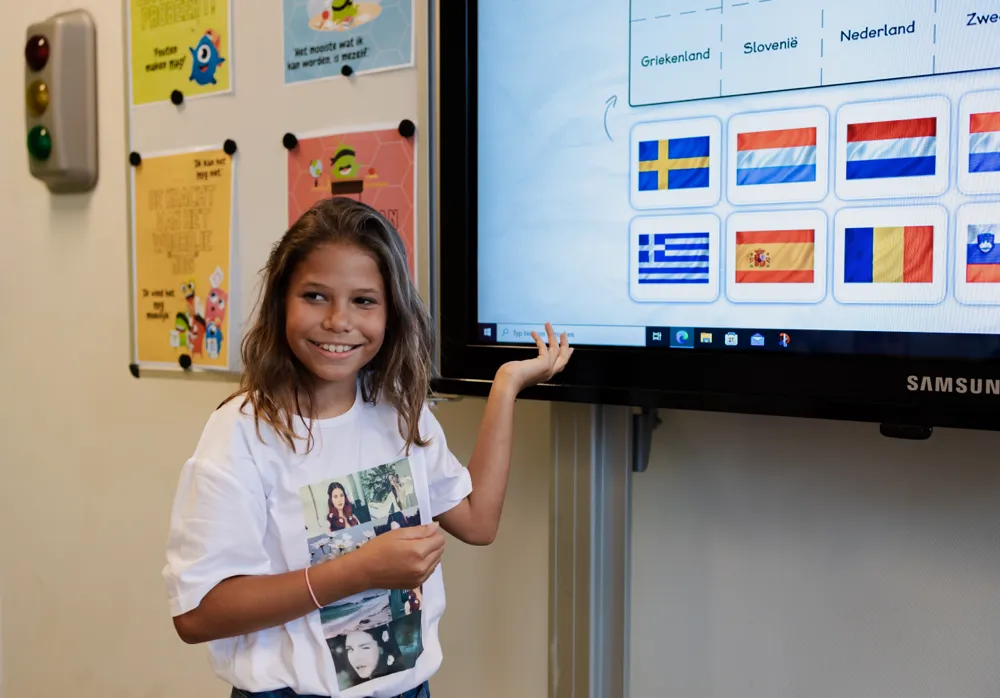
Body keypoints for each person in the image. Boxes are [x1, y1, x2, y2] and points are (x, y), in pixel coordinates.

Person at [162, 196, 573, 698]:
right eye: (314, 296)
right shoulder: (242, 433)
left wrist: (506, 384)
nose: (339, 321)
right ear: (280, 302)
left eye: (363, 300)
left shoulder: (399, 410)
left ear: (391, 311)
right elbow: (197, 614)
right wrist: (356, 572)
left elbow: (478, 521)